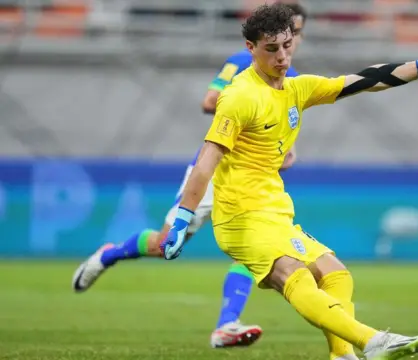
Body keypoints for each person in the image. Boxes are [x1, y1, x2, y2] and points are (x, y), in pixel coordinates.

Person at [161, 3, 418, 360]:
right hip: (240, 217)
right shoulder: (239, 96)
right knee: (294, 274)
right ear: (250, 48)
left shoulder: (296, 88)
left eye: (286, 45)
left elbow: (366, 80)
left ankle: (341, 356)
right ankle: (372, 341)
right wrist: (183, 218)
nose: (282, 56)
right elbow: (205, 162)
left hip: (274, 211)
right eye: (271, 49)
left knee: (337, 274)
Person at [71, 2, 308, 350]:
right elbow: (210, 100)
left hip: (254, 181)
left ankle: (227, 324)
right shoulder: (243, 63)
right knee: (166, 243)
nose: (290, 41)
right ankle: (112, 253)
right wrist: (244, 113)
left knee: (258, 251)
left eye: (297, 33)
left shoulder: (295, 81)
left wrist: (285, 150)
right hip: (216, 172)